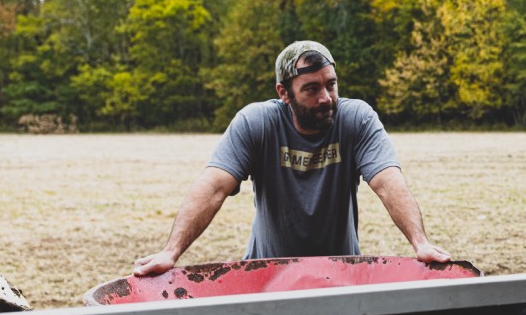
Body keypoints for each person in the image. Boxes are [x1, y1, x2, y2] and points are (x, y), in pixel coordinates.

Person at [133, 39, 450, 275]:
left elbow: (387, 182)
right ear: (283, 92)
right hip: (267, 274)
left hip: (339, 272)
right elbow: (214, 186)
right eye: (311, 88)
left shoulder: (356, 119)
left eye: (331, 85)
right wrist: (170, 252)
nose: (326, 98)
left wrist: (419, 242)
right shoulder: (257, 123)